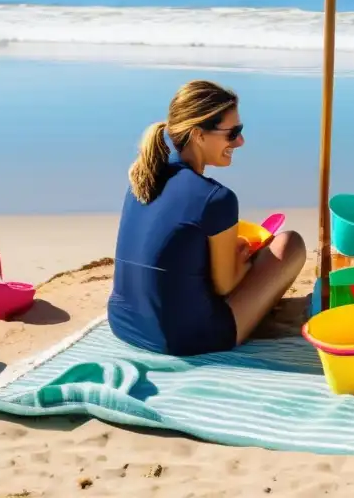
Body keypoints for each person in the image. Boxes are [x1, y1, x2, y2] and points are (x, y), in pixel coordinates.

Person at [108, 80, 306, 356]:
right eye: (232, 133)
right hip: (182, 339)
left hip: (123, 324)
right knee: (289, 244)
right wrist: (245, 259)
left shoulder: (143, 177)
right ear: (198, 134)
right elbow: (225, 284)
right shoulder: (216, 198)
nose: (240, 141)